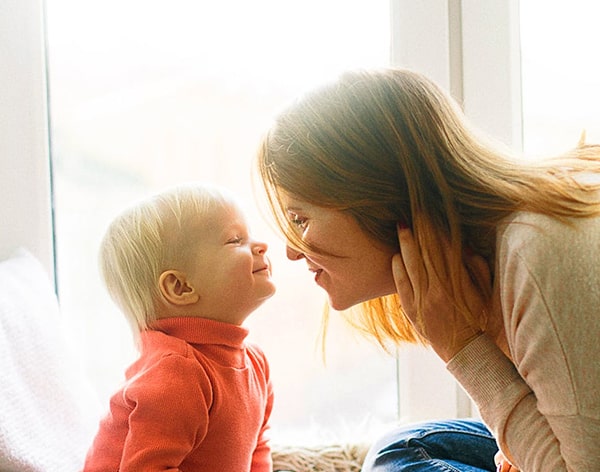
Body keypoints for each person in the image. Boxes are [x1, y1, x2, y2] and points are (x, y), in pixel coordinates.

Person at [254, 68, 600, 471]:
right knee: (403, 450)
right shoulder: (500, 254)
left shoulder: (535, 252)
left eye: (300, 220)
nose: (292, 253)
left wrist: (464, 348)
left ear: (377, 197)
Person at [83, 183, 277, 471]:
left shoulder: (255, 362)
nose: (261, 245)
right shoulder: (177, 374)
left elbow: (258, 448)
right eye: (235, 240)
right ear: (180, 287)